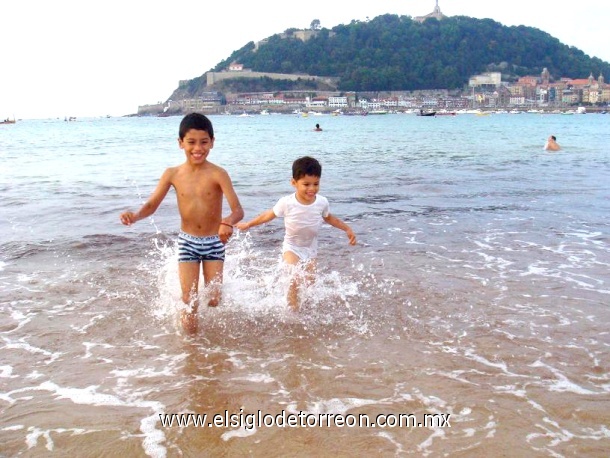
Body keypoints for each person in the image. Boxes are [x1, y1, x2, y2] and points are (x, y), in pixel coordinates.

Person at [120, 113, 244, 333]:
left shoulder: (219, 174)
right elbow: (151, 205)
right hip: (187, 241)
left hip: (214, 241)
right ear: (180, 143)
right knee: (189, 299)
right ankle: (192, 347)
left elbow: (238, 210)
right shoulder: (172, 174)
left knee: (215, 299)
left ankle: (215, 341)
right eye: (191, 142)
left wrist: (228, 222)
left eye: (204, 142)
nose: (198, 148)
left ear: (212, 143)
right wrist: (136, 216)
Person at [235, 156, 356, 310]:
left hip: (310, 248)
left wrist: (347, 228)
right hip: (291, 247)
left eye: (316, 184)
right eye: (306, 184)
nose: (312, 189)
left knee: (310, 282)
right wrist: (248, 224)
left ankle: (305, 307)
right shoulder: (287, 202)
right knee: (295, 278)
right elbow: (268, 215)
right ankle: (292, 310)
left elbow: (329, 218)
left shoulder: (322, 202)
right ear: (294, 183)